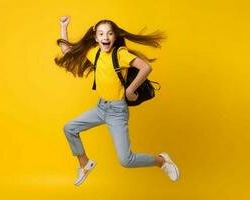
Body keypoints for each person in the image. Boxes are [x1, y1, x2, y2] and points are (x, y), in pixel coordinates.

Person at [55, 16, 180, 186]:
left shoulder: (120, 54)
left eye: (109, 33)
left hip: (117, 112)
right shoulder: (95, 53)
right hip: (101, 108)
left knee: (126, 160)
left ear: (115, 36)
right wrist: (63, 27)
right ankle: (84, 164)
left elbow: (146, 67)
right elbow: (68, 51)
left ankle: (162, 161)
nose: (105, 37)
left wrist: (129, 90)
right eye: (101, 34)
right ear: (96, 37)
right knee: (69, 128)